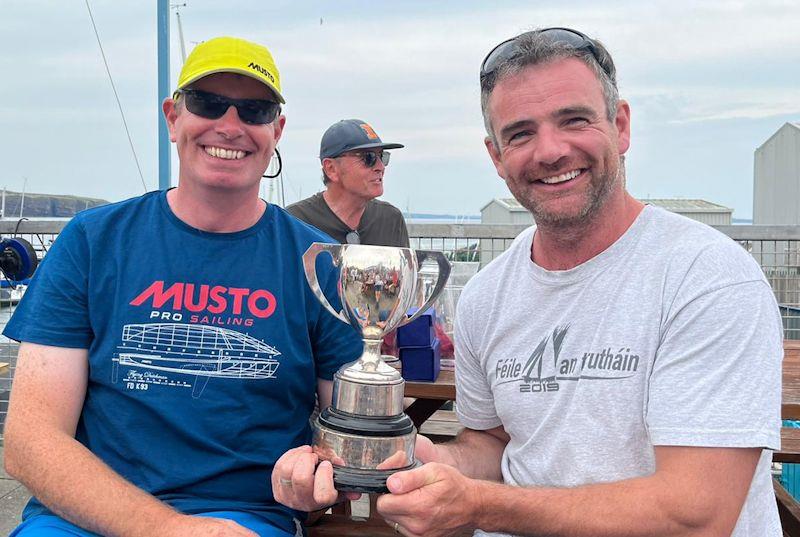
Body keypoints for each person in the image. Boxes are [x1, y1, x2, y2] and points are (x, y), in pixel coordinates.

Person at [276, 27, 784, 536]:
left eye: (574, 120)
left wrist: (479, 506)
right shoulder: (487, 295)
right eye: (520, 133)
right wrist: (422, 462)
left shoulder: (707, 277)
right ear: (496, 157)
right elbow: (492, 444)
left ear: (621, 125)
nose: (550, 151)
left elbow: (696, 515)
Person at [2, 36, 361, 537]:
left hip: (246, 516)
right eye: (208, 103)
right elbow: (29, 440)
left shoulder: (321, 263)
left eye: (254, 110)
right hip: (82, 513)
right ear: (173, 118)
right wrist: (169, 529)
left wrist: (323, 467)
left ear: (276, 130)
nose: (230, 126)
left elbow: (347, 432)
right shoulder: (91, 241)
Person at [286, 118, 409, 248]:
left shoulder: (390, 219)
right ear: (331, 169)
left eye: (382, 156)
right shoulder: (294, 222)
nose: (380, 167)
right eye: (369, 158)